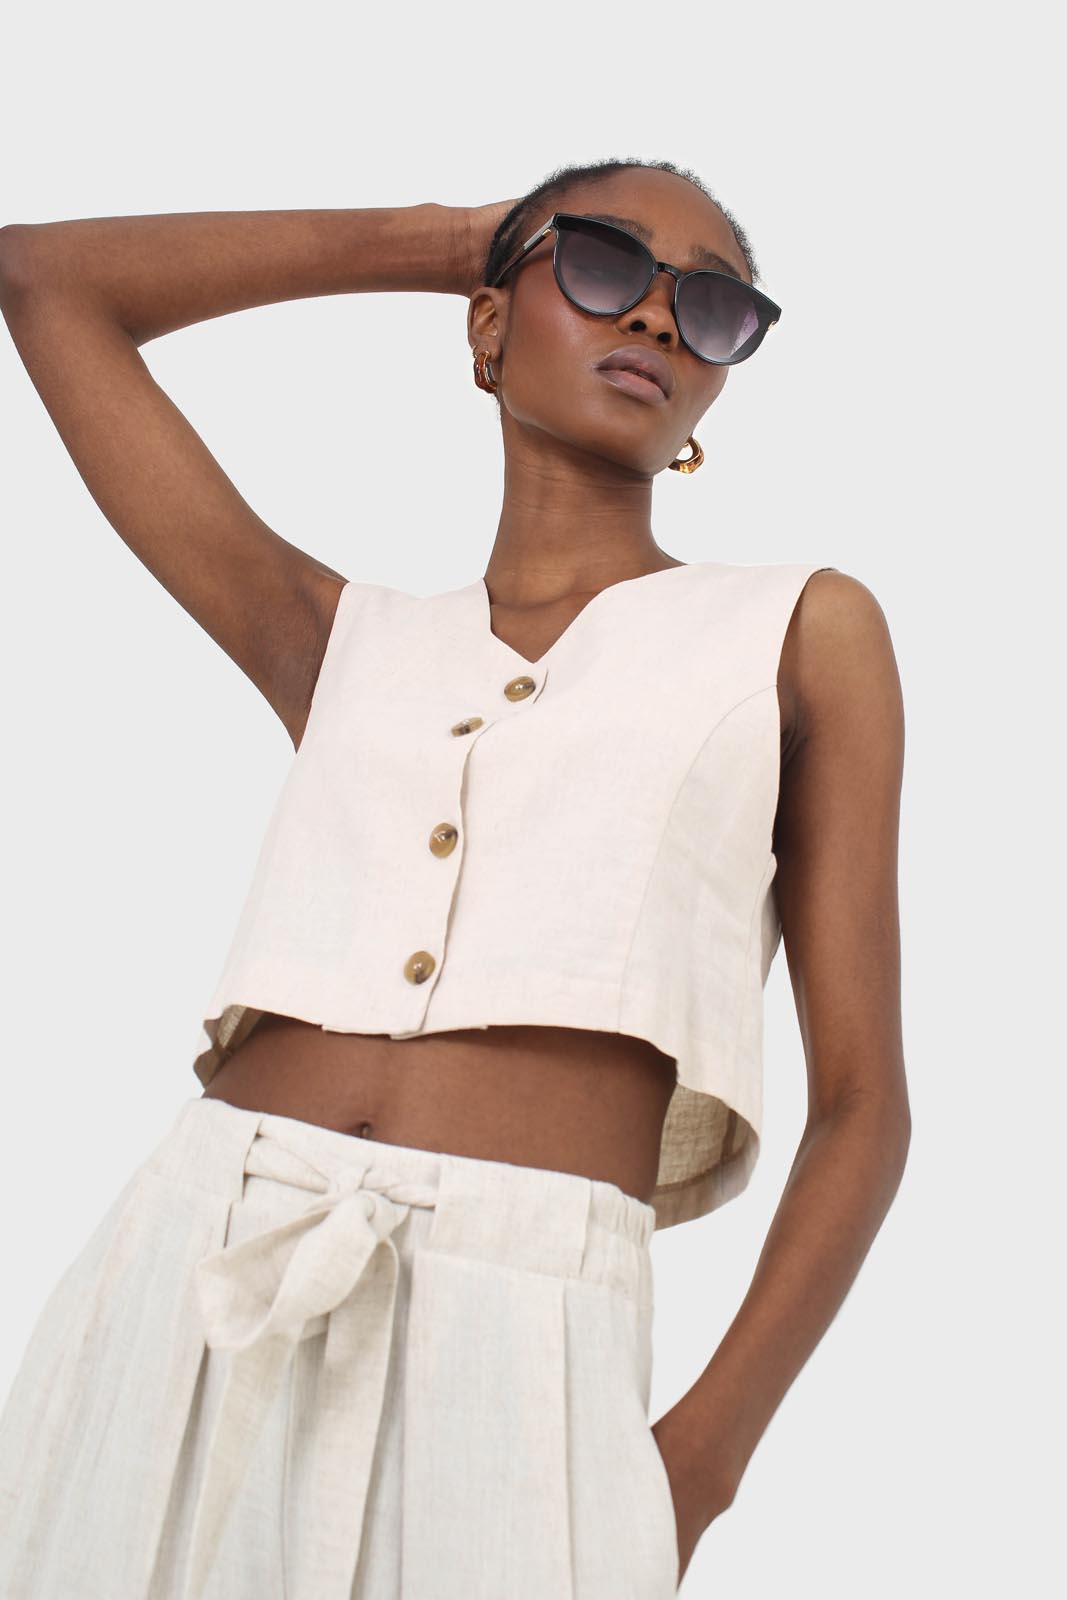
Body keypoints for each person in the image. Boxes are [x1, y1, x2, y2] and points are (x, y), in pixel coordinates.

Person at [0, 157, 911, 1598]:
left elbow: (865, 1106)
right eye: (604, 263)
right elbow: (47, 280)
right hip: (200, 1267)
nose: (658, 317)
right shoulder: (333, 636)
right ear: (488, 327)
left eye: (712, 304)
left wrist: (700, 1465)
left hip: (530, 1335)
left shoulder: (800, 633)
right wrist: (449, 243)